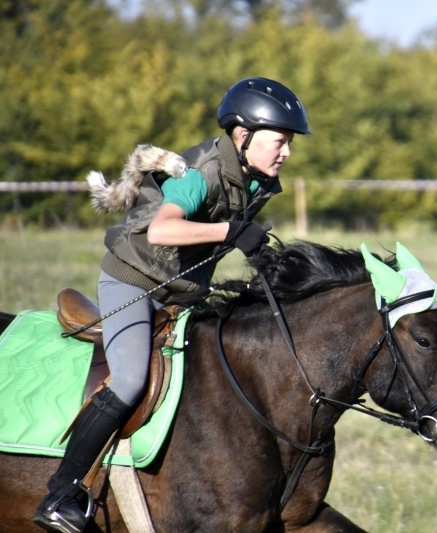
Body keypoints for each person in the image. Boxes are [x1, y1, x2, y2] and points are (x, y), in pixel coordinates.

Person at [33, 77, 311, 533]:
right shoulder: (200, 172)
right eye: (280, 141)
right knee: (128, 378)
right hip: (134, 282)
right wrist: (230, 233)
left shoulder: (254, 180)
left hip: (180, 294)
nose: (287, 152)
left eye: (290, 143)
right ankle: (61, 492)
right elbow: (161, 231)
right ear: (243, 136)